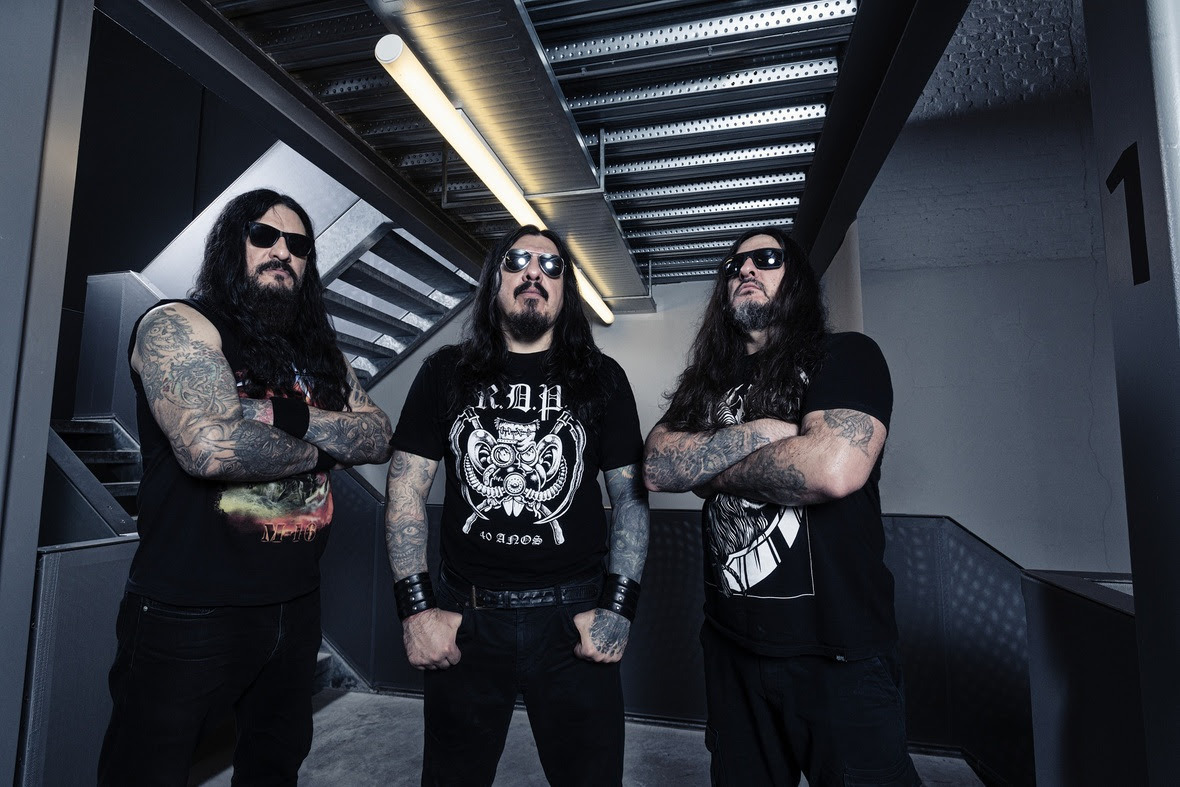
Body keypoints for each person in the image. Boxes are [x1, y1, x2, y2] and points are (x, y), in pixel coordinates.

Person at [98, 189, 394, 786]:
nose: (283, 252)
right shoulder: (179, 325)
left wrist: (276, 415)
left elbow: (379, 436)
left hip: (295, 604)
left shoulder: (320, 355)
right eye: (264, 236)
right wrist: (325, 448)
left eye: (298, 245)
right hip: (190, 609)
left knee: (273, 769)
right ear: (232, 245)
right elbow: (209, 448)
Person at [643, 227, 918, 786]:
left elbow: (833, 469)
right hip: (731, 649)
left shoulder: (846, 355)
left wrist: (711, 471)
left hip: (839, 656)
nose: (746, 270)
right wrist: (767, 433)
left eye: (766, 259)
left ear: (796, 280)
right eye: (734, 265)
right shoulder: (706, 384)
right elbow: (655, 467)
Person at [385, 224, 649, 787]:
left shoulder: (601, 378)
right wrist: (416, 609)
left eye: (551, 266)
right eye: (518, 260)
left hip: (571, 616)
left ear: (565, 289)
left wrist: (618, 608)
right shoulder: (445, 371)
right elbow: (405, 489)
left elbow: (629, 498)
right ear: (494, 280)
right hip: (467, 616)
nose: (534, 272)